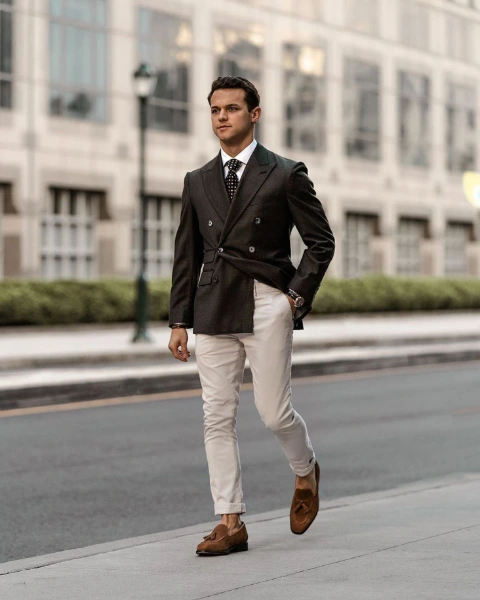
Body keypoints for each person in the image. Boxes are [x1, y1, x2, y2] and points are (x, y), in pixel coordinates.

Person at [168, 76, 335, 556]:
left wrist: (294, 298)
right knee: (216, 416)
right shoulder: (197, 181)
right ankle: (230, 521)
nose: (222, 117)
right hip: (213, 303)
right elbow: (187, 255)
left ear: (254, 114)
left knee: (273, 412)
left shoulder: (284, 173)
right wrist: (179, 319)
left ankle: (305, 471)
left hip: (266, 302)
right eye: (215, 109)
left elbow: (321, 243)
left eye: (233, 109)